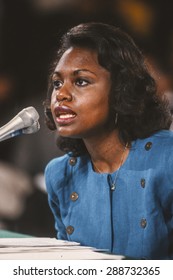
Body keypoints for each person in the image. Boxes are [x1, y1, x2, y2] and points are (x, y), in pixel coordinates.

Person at [44, 22, 173, 260]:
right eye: (57, 83)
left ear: (120, 90)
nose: (61, 94)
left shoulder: (167, 158)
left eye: (81, 81)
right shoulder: (59, 174)